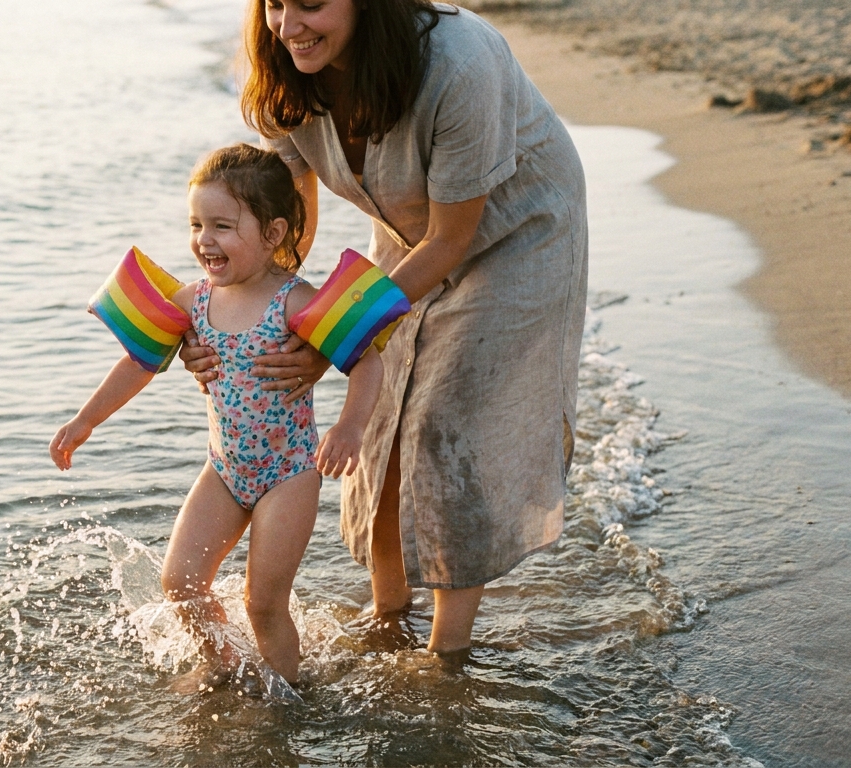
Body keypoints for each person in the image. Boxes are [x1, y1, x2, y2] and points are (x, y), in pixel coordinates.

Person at [180, 0, 588, 657]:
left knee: (447, 425)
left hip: (518, 231)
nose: (288, 26)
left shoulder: (458, 65)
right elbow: (288, 229)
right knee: (386, 422)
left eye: (311, 3)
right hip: (407, 232)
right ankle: (387, 612)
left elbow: (453, 238)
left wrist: (330, 340)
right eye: (275, 4)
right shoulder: (286, 71)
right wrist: (250, 316)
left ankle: (446, 655)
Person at [50, 144, 385, 684]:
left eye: (223, 226)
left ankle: (289, 695)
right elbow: (139, 362)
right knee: (180, 582)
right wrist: (86, 420)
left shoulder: (296, 303)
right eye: (197, 224)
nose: (205, 240)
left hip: (288, 474)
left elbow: (367, 362)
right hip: (224, 471)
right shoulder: (193, 302)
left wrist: (350, 427)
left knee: (264, 603)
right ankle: (223, 666)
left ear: (273, 234)